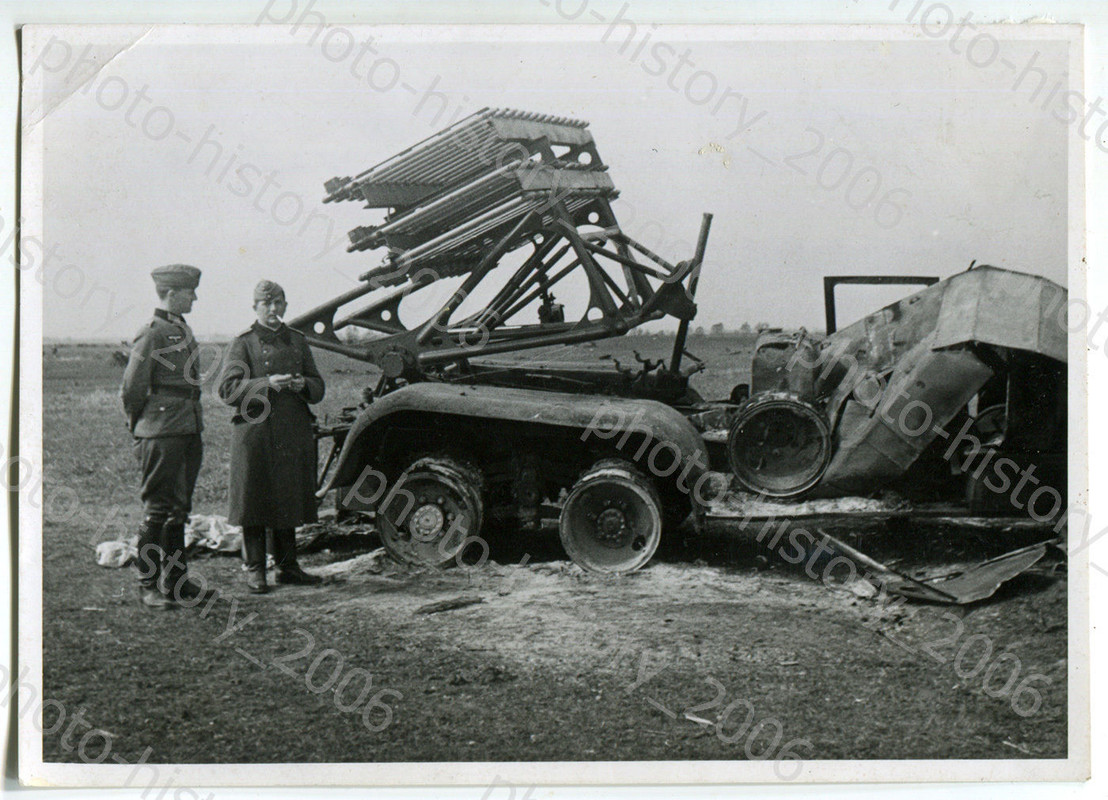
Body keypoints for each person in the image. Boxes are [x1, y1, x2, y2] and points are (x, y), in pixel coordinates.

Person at [218, 280, 326, 593]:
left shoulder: (297, 341)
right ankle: (255, 570)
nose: (274, 309)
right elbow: (227, 390)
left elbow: (318, 386)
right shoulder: (243, 342)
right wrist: (267, 383)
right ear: (255, 308)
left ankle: (288, 567)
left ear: (286, 306)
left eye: (279, 303)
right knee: (253, 499)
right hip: (255, 434)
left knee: (287, 496)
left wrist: (302, 384)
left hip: (292, 432)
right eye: (267, 304)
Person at [120, 264, 206, 609]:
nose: (195, 297)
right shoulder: (152, 333)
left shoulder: (181, 329)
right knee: (157, 509)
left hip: (186, 426)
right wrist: (139, 423)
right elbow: (132, 387)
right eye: (189, 292)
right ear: (171, 293)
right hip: (161, 429)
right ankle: (148, 584)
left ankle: (177, 582)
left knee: (179, 511)